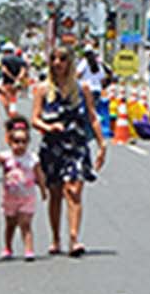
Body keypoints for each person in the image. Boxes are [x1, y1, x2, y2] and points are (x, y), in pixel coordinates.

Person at [33, 36, 104, 257]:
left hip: (76, 145)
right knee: (55, 193)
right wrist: (47, 126)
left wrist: (102, 144)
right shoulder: (43, 89)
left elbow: (92, 117)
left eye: (62, 59)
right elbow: (34, 118)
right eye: (54, 59)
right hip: (53, 146)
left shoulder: (82, 89)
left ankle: (74, 238)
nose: (57, 63)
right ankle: (55, 238)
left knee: (73, 190)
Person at [0, 114, 40, 260]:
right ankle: (8, 247)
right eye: (16, 141)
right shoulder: (6, 157)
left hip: (27, 196)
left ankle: (29, 249)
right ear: (9, 142)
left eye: (23, 142)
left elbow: (39, 174)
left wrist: (43, 188)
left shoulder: (32, 158)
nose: (20, 145)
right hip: (10, 197)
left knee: (25, 223)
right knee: (10, 223)